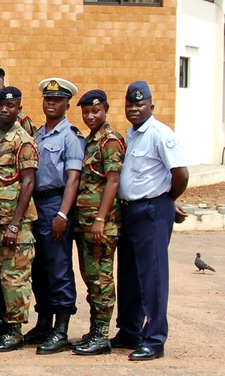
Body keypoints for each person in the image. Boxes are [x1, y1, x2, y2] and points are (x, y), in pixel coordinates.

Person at [112, 81, 189, 361]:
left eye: (139, 104)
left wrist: (167, 200)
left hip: (153, 210)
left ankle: (155, 339)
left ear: (151, 107)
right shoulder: (132, 134)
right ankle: (130, 331)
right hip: (130, 210)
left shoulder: (160, 133)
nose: (133, 109)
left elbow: (180, 173)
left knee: (153, 275)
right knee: (129, 274)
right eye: (130, 105)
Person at [27, 78, 84, 355]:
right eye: (48, 100)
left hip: (55, 205)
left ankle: (61, 331)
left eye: (57, 100)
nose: (51, 104)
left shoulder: (69, 137)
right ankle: (43, 323)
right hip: (36, 205)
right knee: (39, 268)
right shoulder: (39, 134)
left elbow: (72, 179)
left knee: (58, 267)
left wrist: (63, 213)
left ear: (66, 104)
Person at [0, 87, 39, 352]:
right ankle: (4, 327)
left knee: (14, 278)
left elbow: (28, 182)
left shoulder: (23, 140)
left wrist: (16, 223)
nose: (4, 110)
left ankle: (15, 330)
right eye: (0, 106)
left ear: (19, 107)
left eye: (10, 106)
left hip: (15, 223)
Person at [71, 89, 124, 356]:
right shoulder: (91, 140)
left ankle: (102, 335)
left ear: (105, 110)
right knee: (90, 277)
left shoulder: (110, 141)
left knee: (101, 279)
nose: (90, 116)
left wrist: (101, 219)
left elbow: (113, 181)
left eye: (95, 111)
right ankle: (95, 330)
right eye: (86, 112)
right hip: (85, 222)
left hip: (101, 224)